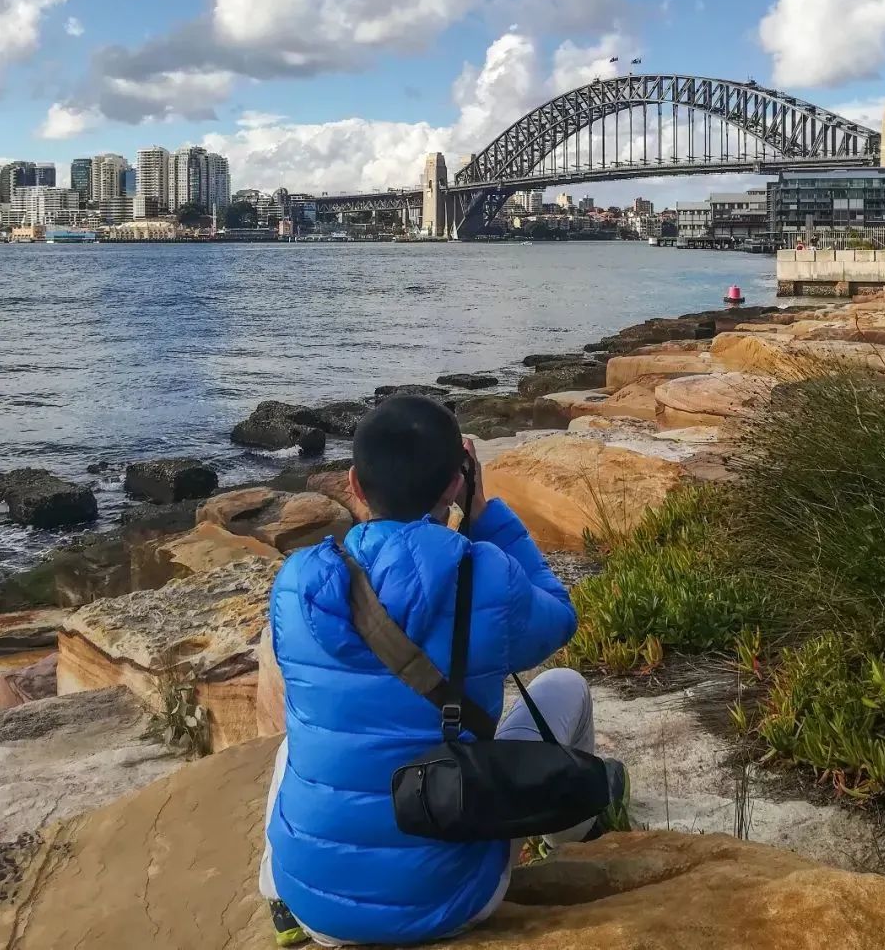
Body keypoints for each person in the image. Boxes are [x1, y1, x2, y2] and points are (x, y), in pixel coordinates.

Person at [259, 394, 628, 948]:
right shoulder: (486, 574)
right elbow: (559, 617)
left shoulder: (297, 583)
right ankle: (570, 838)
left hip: (318, 908)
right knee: (566, 686)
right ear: (456, 482)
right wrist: (484, 517)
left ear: (354, 485)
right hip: (452, 900)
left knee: (294, 747)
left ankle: (281, 907)